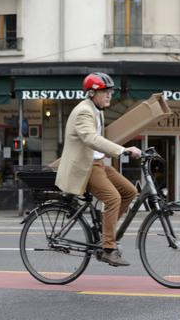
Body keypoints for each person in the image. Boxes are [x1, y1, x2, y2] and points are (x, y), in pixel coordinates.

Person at [55, 72, 141, 267]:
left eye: (110, 92)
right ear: (92, 93)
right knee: (113, 198)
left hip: (99, 163)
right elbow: (90, 139)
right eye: (105, 92)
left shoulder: (97, 110)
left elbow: (98, 141)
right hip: (85, 167)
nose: (109, 95)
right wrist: (122, 150)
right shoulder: (83, 111)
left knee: (130, 191)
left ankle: (105, 232)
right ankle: (108, 249)